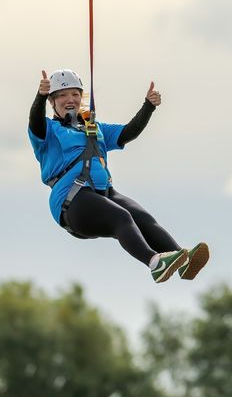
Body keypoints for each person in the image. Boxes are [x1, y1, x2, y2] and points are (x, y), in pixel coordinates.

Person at [28, 68, 209, 283]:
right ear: (52, 101)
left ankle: (182, 262)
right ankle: (155, 263)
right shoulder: (47, 130)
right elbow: (35, 122)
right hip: (71, 201)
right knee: (121, 217)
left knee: (143, 218)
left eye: (75, 94)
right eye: (63, 95)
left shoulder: (93, 127)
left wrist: (148, 106)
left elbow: (127, 132)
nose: (70, 99)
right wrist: (39, 96)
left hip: (104, 194)